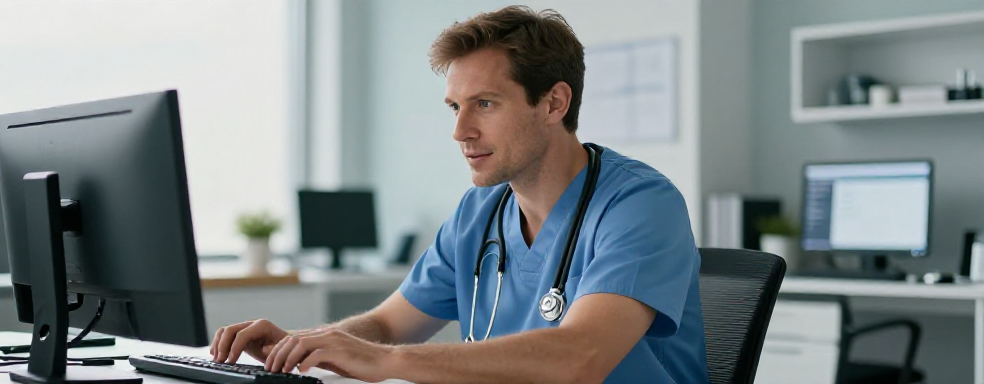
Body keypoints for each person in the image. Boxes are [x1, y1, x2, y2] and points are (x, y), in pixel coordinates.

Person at [210, 5, 707, 384]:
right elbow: (388, 324)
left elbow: (581, 357)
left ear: (554, 102)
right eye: (454, 107)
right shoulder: (481, 212)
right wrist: (302, 344)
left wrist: (387, 362)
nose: (461, 131)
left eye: (484, 104)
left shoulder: (640, 204)